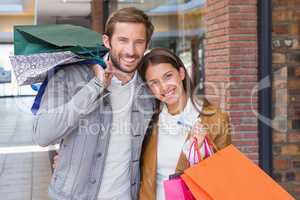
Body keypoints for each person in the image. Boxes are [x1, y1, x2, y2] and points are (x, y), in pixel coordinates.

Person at [33, 7, 155, 200]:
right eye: (123, 40)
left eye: (138, 42)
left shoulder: (149, 92)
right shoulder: (70, 75)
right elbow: (42, 134)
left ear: (147, 44)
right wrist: (95, 87)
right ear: (107, 41)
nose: (131, 51)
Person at [138, 48, 232, 200]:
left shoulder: (215, 119)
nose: (163, 87)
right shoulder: (148, 121)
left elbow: (224, 178)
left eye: (168, 76)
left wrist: (200, 153)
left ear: (181, 73)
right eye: (154, 83)